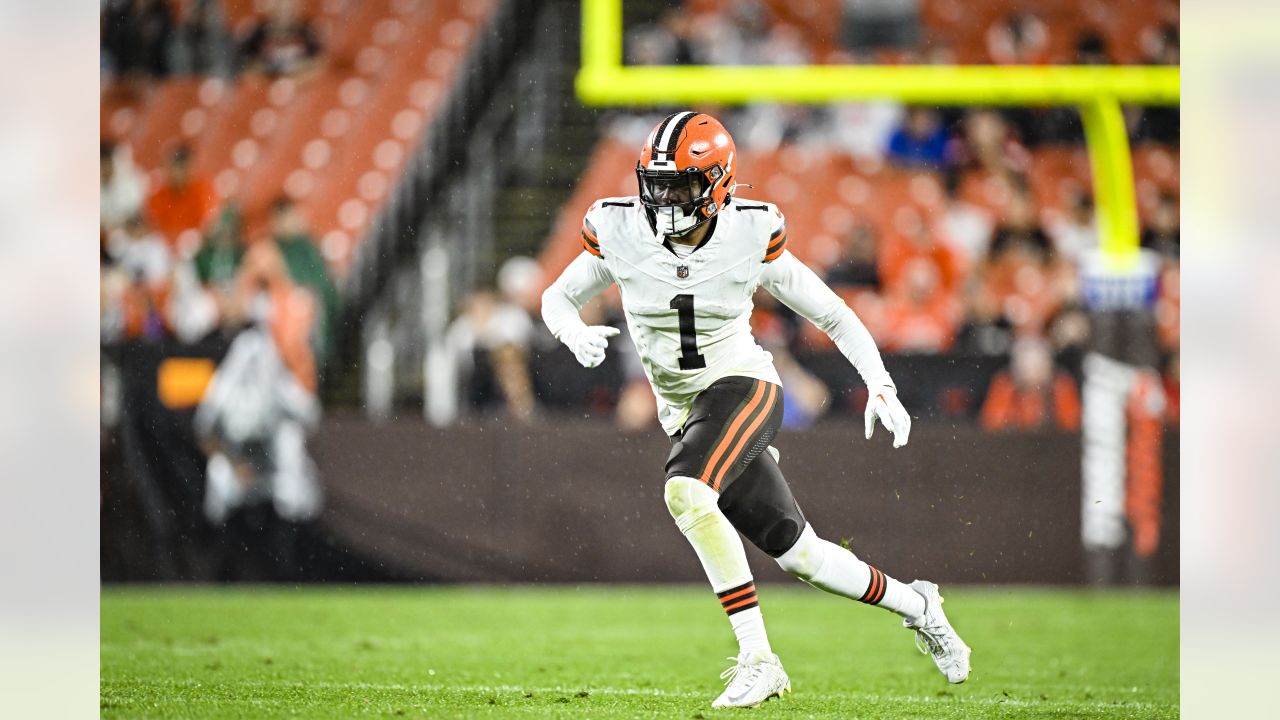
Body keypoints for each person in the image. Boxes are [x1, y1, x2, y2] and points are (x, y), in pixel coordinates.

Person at [540, 112, 970, 709]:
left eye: (682, 185)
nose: (665, 199)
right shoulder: (619, 229)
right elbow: (557, 296)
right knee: (803, 555)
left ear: (719, 184)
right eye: (657, 183)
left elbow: (834, 314)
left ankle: (757, 659)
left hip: (744, 385)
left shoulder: (750, 233)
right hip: (685, 411)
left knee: (686, 492)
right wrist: (569, 330)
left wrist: (880, 383)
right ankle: (919, 605)